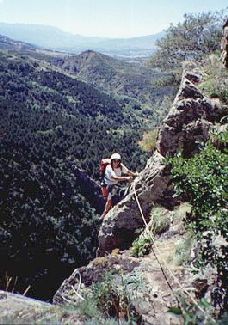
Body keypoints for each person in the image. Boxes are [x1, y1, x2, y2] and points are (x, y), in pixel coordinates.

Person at [101, 152, 138, 219]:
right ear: (112, 161)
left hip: (115, 184)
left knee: (118, 196)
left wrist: (135, 175)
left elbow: (128, 172)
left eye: (118, 161)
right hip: (108, 185)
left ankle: (112, 208)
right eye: (114, 161)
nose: (116, 163)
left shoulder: (121, 166)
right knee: (109, 201)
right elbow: (114, 177)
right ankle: (105, 212)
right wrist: (126, 178)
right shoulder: (109, 168)